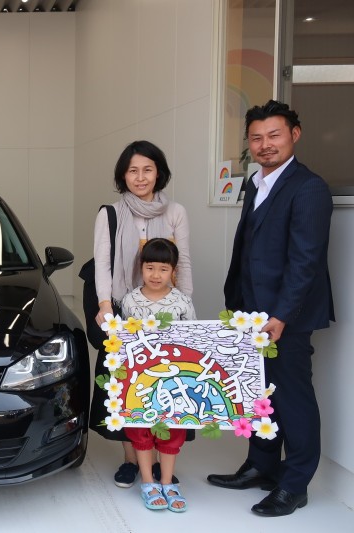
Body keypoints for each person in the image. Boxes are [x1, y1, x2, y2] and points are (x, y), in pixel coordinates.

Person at [207, 100, 334, 517]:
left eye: (274, 135)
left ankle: (294, 485)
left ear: (294, 134)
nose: (265, 144)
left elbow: (305, 261)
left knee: (293, 398)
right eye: (257, 138)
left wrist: (280, 316)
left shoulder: (308, 187)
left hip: (285, 317)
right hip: (251, 311)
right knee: (259, 393)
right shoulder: (256, 182)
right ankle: (261, 465)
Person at [88, 140, 193, 488]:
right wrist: (106, 305)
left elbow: (183, 261)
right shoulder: (110, 213)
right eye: (132, 171)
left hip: (166, 310)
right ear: (123, 176)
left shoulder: (175, 211)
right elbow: (103, 263)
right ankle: (132, 461)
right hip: (125, 309)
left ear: (159, 173)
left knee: (164, 384)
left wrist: (185, 307)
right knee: (128, 386)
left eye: (147, 169)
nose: (140, 177)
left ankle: (162, 462)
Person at [120, 238, 194, 512]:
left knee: (172, 428)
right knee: (140, 427)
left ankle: (167, 482)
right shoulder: (130, 300)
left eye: (163, 269)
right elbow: (124, 341)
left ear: (173, 271)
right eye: (150, 267)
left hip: (173, 381)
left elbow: (192, 340)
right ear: (141, 267)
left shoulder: (182, 302)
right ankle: (148, 482)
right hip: (140, 381)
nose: (155, 275)